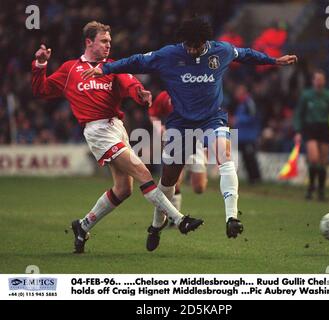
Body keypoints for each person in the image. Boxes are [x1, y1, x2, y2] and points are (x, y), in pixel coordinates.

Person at [82, 17, 297, 250]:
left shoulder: (221, 51)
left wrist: (273, 60)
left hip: (212, 119)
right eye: (190, 45)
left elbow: (245, 54)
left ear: (206, 41)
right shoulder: (169, 55)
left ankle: (231, 218)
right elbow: (136, 61)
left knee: (225, 157)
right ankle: (156, 226)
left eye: (198, 45)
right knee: (169, 181)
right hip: (180, 124)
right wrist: (105, 68)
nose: (193, 49)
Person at [31, 21, 203, 254]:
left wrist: (140, 94)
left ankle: (82, 226)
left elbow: (130, 84)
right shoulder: (70, 69)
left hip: (116, 127)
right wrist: (40, 64)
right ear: (89, 42)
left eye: (110, 41)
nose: (108, 45)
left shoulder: (112, 67)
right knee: (142, 172)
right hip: (97, 130)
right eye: (103, 41)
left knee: (123, 189)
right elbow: (41, 90)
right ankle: (179, 219)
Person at [149, 90, 208, 212]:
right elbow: (153, 113)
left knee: (199, 188)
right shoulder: (165, 95)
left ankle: (201, 172)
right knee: (174, 180)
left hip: (196, 140)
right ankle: (173, 217)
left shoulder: (197, 92)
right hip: (175, 140)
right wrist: (159, 128)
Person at [294, 70, 329, 200]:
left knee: (323, 161)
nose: (319, 82)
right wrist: (298, 131)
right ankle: (311, 186)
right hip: (310, 128)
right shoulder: (306, 96)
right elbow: (298, 114)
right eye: (317, 79)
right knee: (313, 159)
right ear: (313, 81)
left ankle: (321, 191)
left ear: (324, 81)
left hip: (324, 128)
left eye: (321, 79)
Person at [232, 84, 262, 184]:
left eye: (238, 91)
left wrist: (238, 120)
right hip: (242, 135)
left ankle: (256, 178)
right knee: (246, 157)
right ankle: (251, 179)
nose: (236, 93)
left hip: (249, 135)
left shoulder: (249, 102)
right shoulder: (241, 104)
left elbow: (254, 117)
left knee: (250, 157)